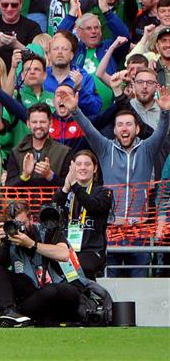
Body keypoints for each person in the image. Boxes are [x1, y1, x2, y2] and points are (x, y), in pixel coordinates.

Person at [57, 85, 170, 278]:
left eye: (128, 124)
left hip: (139, 231)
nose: (124, 128)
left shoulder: (148, 148)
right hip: (111, 230)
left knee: (139, 287)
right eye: (120, 125)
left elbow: (160, 133)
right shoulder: (105, 148)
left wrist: (166, 112)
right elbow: (90, 131)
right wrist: (75, 111)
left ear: (137, 128)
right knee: (112, 286)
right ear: (115, 129)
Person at [0, 201, 83, 327]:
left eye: (22, 224)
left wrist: (31, 244)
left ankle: (12, 313)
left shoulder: (47, 229)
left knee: (57, 291)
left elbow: (64, 254)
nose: (19, 230)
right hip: (33, 297)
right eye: (15, 225)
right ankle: (10, 313)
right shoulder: (10, 241)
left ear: (31, 219)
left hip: (59, 293)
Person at [54, 150, 113, 279]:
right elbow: (52, 213)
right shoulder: (66, 193)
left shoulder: (103, 192)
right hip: (67, 250)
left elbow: (92, 205)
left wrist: (75, 185)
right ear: (72, 168)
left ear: (95, 168)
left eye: (87, 164)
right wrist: (65, 189)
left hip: (92, 251)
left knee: (78, 267)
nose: (82, 168)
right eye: (78, 164)